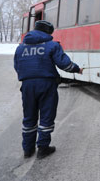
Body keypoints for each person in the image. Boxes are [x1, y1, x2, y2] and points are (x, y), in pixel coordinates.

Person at [14, 20, 83, 159]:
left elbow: (17, 66)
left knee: (29, 116)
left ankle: (27, 149)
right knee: (46, 115)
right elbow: (65, 64)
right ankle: (43, 148)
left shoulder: (20, 48)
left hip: (27, 85)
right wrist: (77, 69)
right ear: (48, 32)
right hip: (46, 84)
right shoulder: (52, 45)